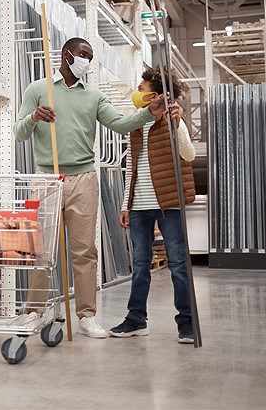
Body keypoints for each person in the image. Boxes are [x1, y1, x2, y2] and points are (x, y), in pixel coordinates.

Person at [14, 37, 166, 339]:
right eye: (84, 55)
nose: (87, 61)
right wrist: (34, 117)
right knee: (40, 251)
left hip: (83, 178)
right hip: (46, 178)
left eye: (91, 57)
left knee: (84, 251)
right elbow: (19, 134)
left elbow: (120, 125)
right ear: (66, 55)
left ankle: (86, 316)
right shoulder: (37, 90)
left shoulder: (94, 96)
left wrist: (150, 113)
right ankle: (34, 312)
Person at [108, 67, 196, 344]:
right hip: (138, 206)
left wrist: (177, 123)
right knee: (140, 264)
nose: (138, 91)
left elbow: (188, 154)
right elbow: (131, 167)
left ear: (155, 94)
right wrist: (125, 204)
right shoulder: (137, 122)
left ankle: (187, 323)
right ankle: (136, 319)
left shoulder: (173, 119)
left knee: (179, 264)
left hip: (167, 204)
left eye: (142, 88)